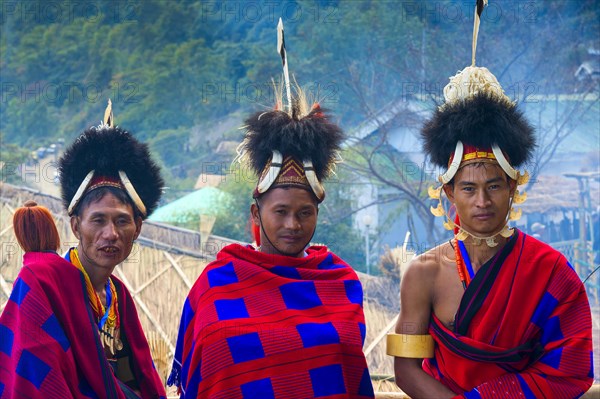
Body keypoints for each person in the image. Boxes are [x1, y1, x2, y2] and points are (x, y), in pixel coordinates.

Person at [387, 2, 594, 398]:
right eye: (468, 188)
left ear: (514, 187)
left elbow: (569, 369)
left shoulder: (550, 272)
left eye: (495, 186)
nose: (483, 200)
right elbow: (407, 372)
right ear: (448, 193)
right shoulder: (423, 273)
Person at [168, 20, 374, 399]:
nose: (293, 224)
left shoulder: (341, 284)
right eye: (280, 211)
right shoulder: (216, 288)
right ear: (255, 214)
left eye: (305, 212)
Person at [0, 101, 167, 398]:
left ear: (137, 229)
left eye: (122, 221)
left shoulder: (119, 297)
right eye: (98, 220)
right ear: (76, 226)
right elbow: (35, 378)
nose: (110, 234)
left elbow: (134, 379)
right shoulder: (42, 284)